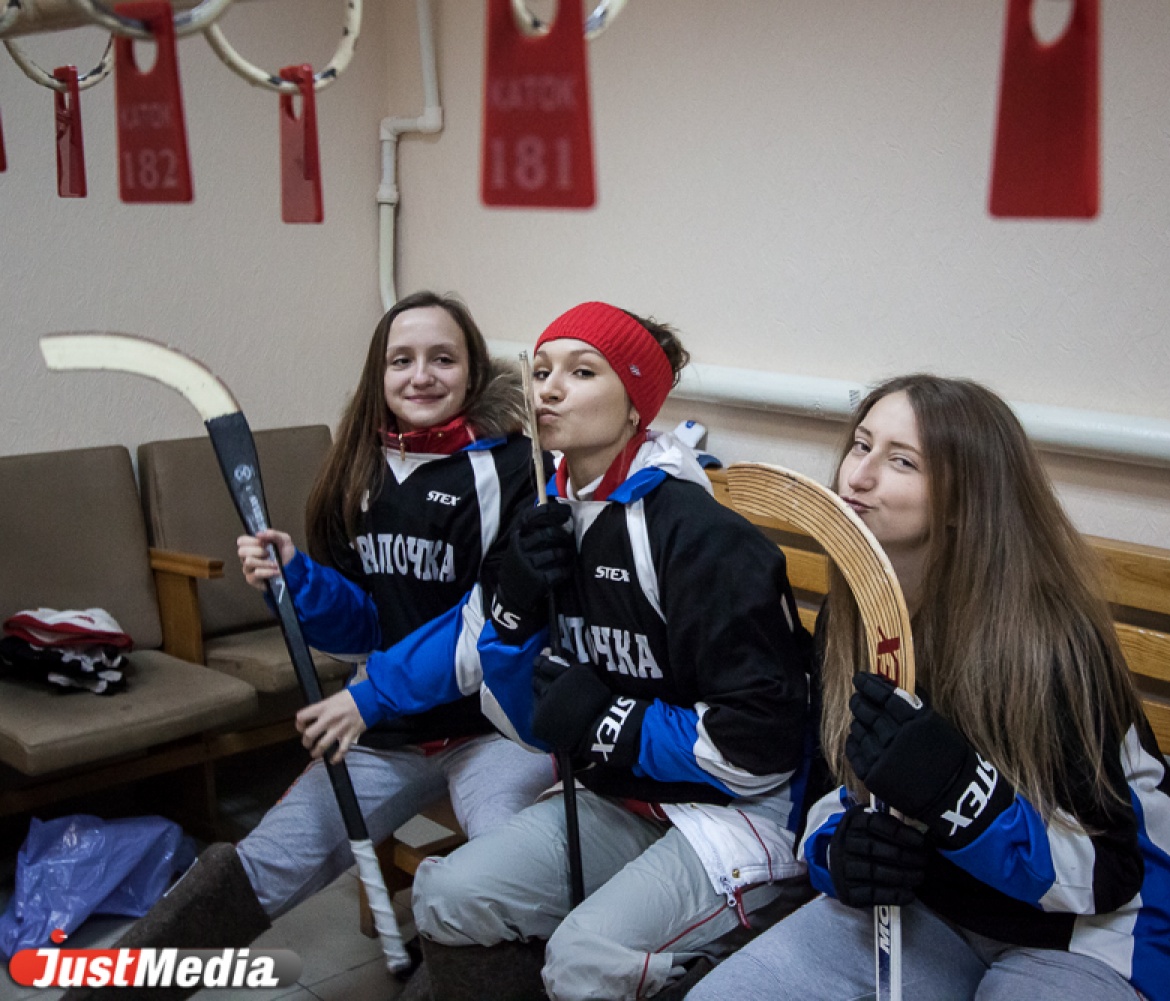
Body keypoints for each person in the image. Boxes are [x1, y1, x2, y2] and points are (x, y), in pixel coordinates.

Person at [306, 302, 812, 1001]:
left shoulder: (698, 536)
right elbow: (520, 715)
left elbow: (759, 749)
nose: (548, 390)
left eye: (581, 372)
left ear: (635, 405)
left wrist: (611, 720)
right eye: (541, 371)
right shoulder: (545, 518)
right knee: (447, 895)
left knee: (582, 958)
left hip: (734, 808)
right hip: (621, 795)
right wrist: (513, 614)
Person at [63, 291, 555, 1001]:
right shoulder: (361, 473)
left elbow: (489, 627)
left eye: (442, 359)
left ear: (472, 371)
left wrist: (368, 696)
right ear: (378, 374)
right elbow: (362, 626)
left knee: (505, 881)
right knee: (263, 863)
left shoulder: (515, 472)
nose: (421, 375)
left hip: (496, 729)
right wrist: (296, 580)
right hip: (391, 730)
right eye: (402, 360)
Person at [687, 375, 1170, 1001]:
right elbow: (830, 790)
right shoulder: (854, 620)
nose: (858, 477)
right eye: (861, 445)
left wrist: (958, 794)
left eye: (902, 461)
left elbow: (1111, 874)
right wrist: (841, 852)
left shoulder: (1050, 645)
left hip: (1087, 936)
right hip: (939, 908)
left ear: (965, 500)